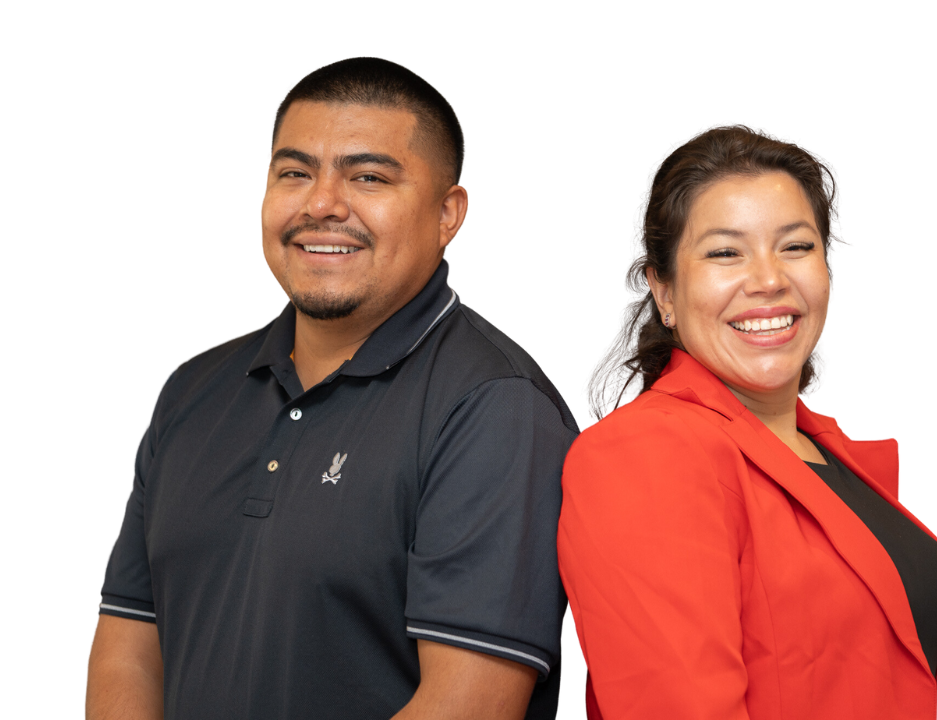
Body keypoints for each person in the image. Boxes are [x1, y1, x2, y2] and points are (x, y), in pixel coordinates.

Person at [85, 57, 578, 720]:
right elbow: (128, 645)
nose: (321, 205)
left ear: (448, 214)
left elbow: (470, 704)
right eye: (294, 173)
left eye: (368, 176)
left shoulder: (495, 405)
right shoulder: (191, 389)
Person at [556, 124, 937, 719]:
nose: (769, 279)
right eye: (725, 252)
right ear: (664, 291)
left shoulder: (834, 457)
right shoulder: (644, 451)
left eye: (795, 246)